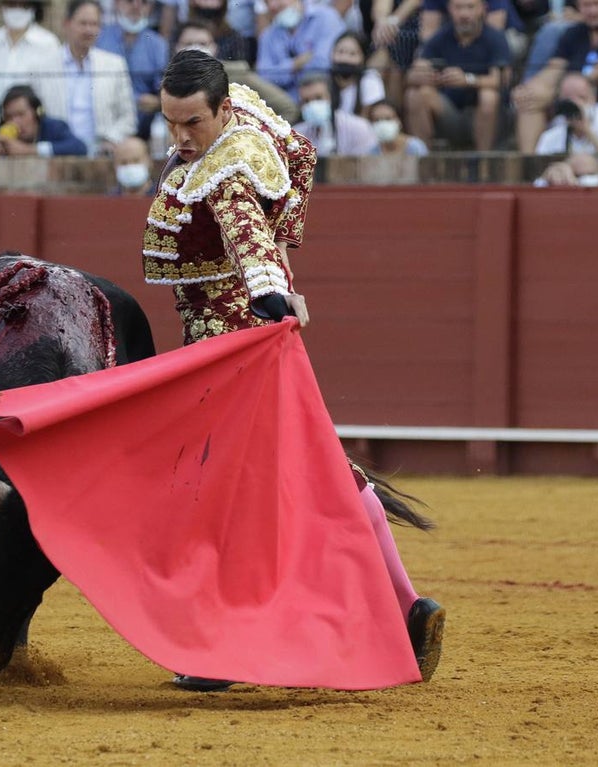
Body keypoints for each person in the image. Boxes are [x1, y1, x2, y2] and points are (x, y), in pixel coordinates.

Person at [146, 49, 444, 690]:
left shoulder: (224, 175)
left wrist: (272, 284)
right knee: (324, 470)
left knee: (217, 491)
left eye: (191, 124)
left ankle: (218, 651)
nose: (179, 139)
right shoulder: (250, 118)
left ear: (222, 109)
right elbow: (304, 153)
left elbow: (246, 239)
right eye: (170, 123)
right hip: (249, 339)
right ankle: (408, 605)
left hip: (228, 346)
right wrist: (288, 252)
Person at [512, 0, 598, 153]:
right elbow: (553, 69)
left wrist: (555, 94)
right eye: (586, 6)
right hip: (565, 99)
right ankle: (529, 165)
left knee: (541, 98)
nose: (592, 11)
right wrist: (528, 90)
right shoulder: (574, 33)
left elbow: (595, 77)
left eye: (597, 4)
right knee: (529, 101)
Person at [22, 0, 137, 156]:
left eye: (94, 24)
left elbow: (128, 117)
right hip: (56, 152)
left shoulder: (114, 64)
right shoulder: (41, 66)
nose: (88, 30)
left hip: (103, 153)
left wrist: (111, 139)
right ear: (66, 24)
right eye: (83, 23)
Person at [405, 0, 510, 151]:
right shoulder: (440, 37)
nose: (464, 14)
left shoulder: (495, 38)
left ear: (482, 9)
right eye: (458, 7)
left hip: (484, 114)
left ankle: (484, 160)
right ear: (449, 9)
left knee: (489, 96)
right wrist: (423, 75)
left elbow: (502, 79)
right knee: (414, 94)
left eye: (470, 7)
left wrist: (468, 80)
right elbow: (411, 75)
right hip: (449, 110)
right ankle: (423, 158)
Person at [175, 19, 301, 123]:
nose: (196, 49)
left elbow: (287, 108)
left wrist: (262, 137)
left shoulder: (237, 75)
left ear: (214, 47)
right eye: (189, 43)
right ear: (177, 47)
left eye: (202, 44)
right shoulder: (170, 81)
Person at [0, 0, 60, 124]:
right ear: (2, 6)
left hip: (33, 125)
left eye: (23, 5)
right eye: (12, 5)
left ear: (33, 7)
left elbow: (50, 93)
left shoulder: (48, 43)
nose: (17, 10)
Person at [97, 0, 170, 138]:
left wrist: (156, 101)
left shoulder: (158, 44)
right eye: (129, 1)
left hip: (145, 123)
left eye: (144, 2)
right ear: (116, 4)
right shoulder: (99, 38)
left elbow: (163, 88)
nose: (136, 6)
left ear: (150, 7)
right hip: (107, 118)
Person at [0, 84, 88, 156]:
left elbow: (79, 147)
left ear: (36, 113)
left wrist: (31, 150)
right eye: (9, 116)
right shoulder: (0, 131)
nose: (14, 121)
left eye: (21, 115)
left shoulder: (52, 126)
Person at [255, 0, 348, 101]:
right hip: (287, 105)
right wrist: (294, 65)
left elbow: (323, 63)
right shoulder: (268, 36)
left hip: (326, 98)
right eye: (267, 2)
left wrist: (281, 69)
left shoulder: (326, 18)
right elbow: (264, 78)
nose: (272, 5)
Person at [535, 72, 598, 153]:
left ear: (593, 99)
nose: (575, 104)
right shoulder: (551, 136)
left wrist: (587, 130)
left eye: (581, 98)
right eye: (567, 99)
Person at [293, 71, 379, 155]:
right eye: (306, 101)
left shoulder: (359, 128)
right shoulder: (297, 136)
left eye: (318, 98)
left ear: (330, 97)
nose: (312, 104)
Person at [331, 31, 385, 119]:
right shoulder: (324, 81)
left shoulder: (370, 79)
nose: (345, 59)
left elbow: (366, 119)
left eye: (352, 54)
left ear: (363, 58)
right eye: (340, 52)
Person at [533, 150, 598, 185]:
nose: (584, 179)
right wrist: (545, 179)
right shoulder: (560, 181)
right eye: (577, 175)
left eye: (590, 174)